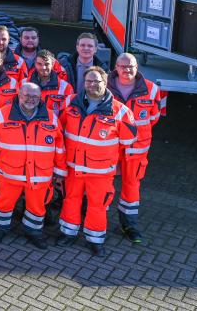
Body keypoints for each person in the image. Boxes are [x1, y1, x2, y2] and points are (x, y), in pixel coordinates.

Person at [57, 66, 137, 256]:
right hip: (73, 168)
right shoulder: (71, 102)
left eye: (96, 81)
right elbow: (61, 130)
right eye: (88, 81)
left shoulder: (120, 112)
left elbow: (128, 141)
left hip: (100, 172)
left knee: (98, 206)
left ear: (105, 82)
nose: (92, 85)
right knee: (70, 200)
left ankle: (95, 240)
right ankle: (68, 233)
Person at [0, 82, 66, 249]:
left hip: (40, 174)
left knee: (37, 206)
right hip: (9, 172)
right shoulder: (1, 115)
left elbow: (59, 147)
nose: (30, 99)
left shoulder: (52, 118)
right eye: (26, 95)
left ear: (40, 98)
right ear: (19, 95)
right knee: (3, 203)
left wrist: (60, 170)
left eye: (35, 96)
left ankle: (33, 231)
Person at [107, 53, 164, 244]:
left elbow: (154, 118)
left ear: (137, 67)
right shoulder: (104, 86)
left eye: (130, 66)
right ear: (116, 67)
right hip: (110, 148)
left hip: (136, 150)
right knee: (104, 186)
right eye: (123, 66)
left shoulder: (152, 89)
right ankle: (98, 224)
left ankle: (129, 225)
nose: (127, 70)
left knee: (131, 188)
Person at [25, 50, 74, 118]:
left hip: (54, 127)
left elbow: (68, 114)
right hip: (30, 126)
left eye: (47, 64)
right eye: (39, 64)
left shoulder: (65, 87)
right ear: (35, 64)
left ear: (53, 64)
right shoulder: (24, 83)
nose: (43, 67)